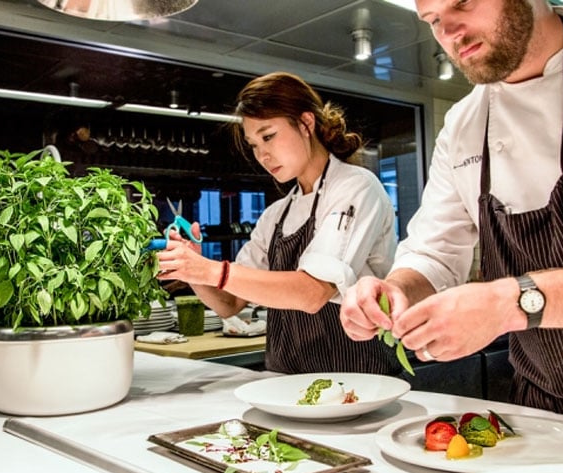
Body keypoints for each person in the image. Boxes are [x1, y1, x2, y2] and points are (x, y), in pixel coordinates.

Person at [340, 0, 563, 424]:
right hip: (543, 406)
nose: (448, 32)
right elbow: (434, 252)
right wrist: (394, 289)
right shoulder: (463, 124)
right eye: (433, 20)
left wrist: (506, 303)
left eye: (462, 3)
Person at [157, 71, 400, 375]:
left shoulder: (356, 188)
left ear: (306, 123)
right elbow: (229, 303)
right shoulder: (276, 214)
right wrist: (192, 268)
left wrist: (210, 270)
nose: (262, 155)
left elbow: (313, 293)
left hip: (358, 381)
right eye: (253, 145)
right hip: (284, 382)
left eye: (268, 136)